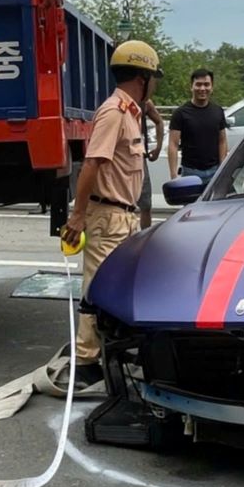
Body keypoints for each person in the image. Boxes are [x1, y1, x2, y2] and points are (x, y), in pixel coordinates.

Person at [61, 39, 162, 384]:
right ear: (142, 78)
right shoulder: (114, 112)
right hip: (107, 215)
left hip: (124, 214)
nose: (156, 84)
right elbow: (92, 164)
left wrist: (158, 124)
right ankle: (86, 361)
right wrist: (77, 216)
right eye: (154, 77)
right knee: (96, 287)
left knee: (115, 285)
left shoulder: (131, 113)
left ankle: (108, 347)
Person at [168, 68, 227, 185]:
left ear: (212, 87)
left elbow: (222, 141)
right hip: (190, 172)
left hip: (214, 172)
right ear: (191, 87)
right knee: (190, 203)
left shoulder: (218, 111)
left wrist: (223, 169)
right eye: (198, 85)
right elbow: (173, 145)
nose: (202, 88)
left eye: (206, 85)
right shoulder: (180, 113)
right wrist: (173, 175)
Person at [137, 100, 164, 230]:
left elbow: (159, 121)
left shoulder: (145, 102)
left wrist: (158, 148)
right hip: (119, 159)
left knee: (146, 204)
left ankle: (144, 237)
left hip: (139, 158)